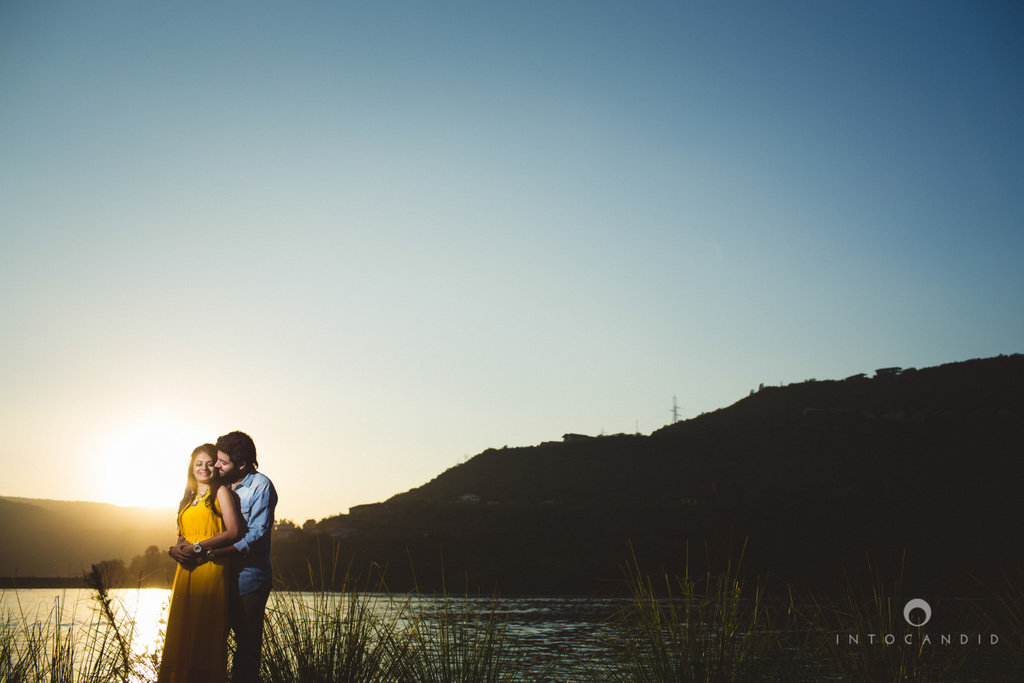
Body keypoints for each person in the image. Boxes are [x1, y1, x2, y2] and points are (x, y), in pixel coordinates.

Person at [171, 431, 277, 683]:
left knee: (247, 648)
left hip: (248, 580)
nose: (216, 465)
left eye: (222, 462)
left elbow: (254, 537)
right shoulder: (221, 485)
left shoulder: (260, 486)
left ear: (242, 464)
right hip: (217, 577)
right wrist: (177, 548)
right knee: (207, 643)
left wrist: (209, 553)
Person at [158, 444, 243, 683]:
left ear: (216, 467)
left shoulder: (221, 493)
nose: (204, 468)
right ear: (191, 467)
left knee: (203, 633)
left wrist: (199, 548)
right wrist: (173, 550)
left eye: (209, 463)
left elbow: (234, 531)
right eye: (199, 464)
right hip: (185, 572)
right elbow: (180, 537)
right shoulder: (187, 498)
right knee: (181, 632)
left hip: (210, 568)